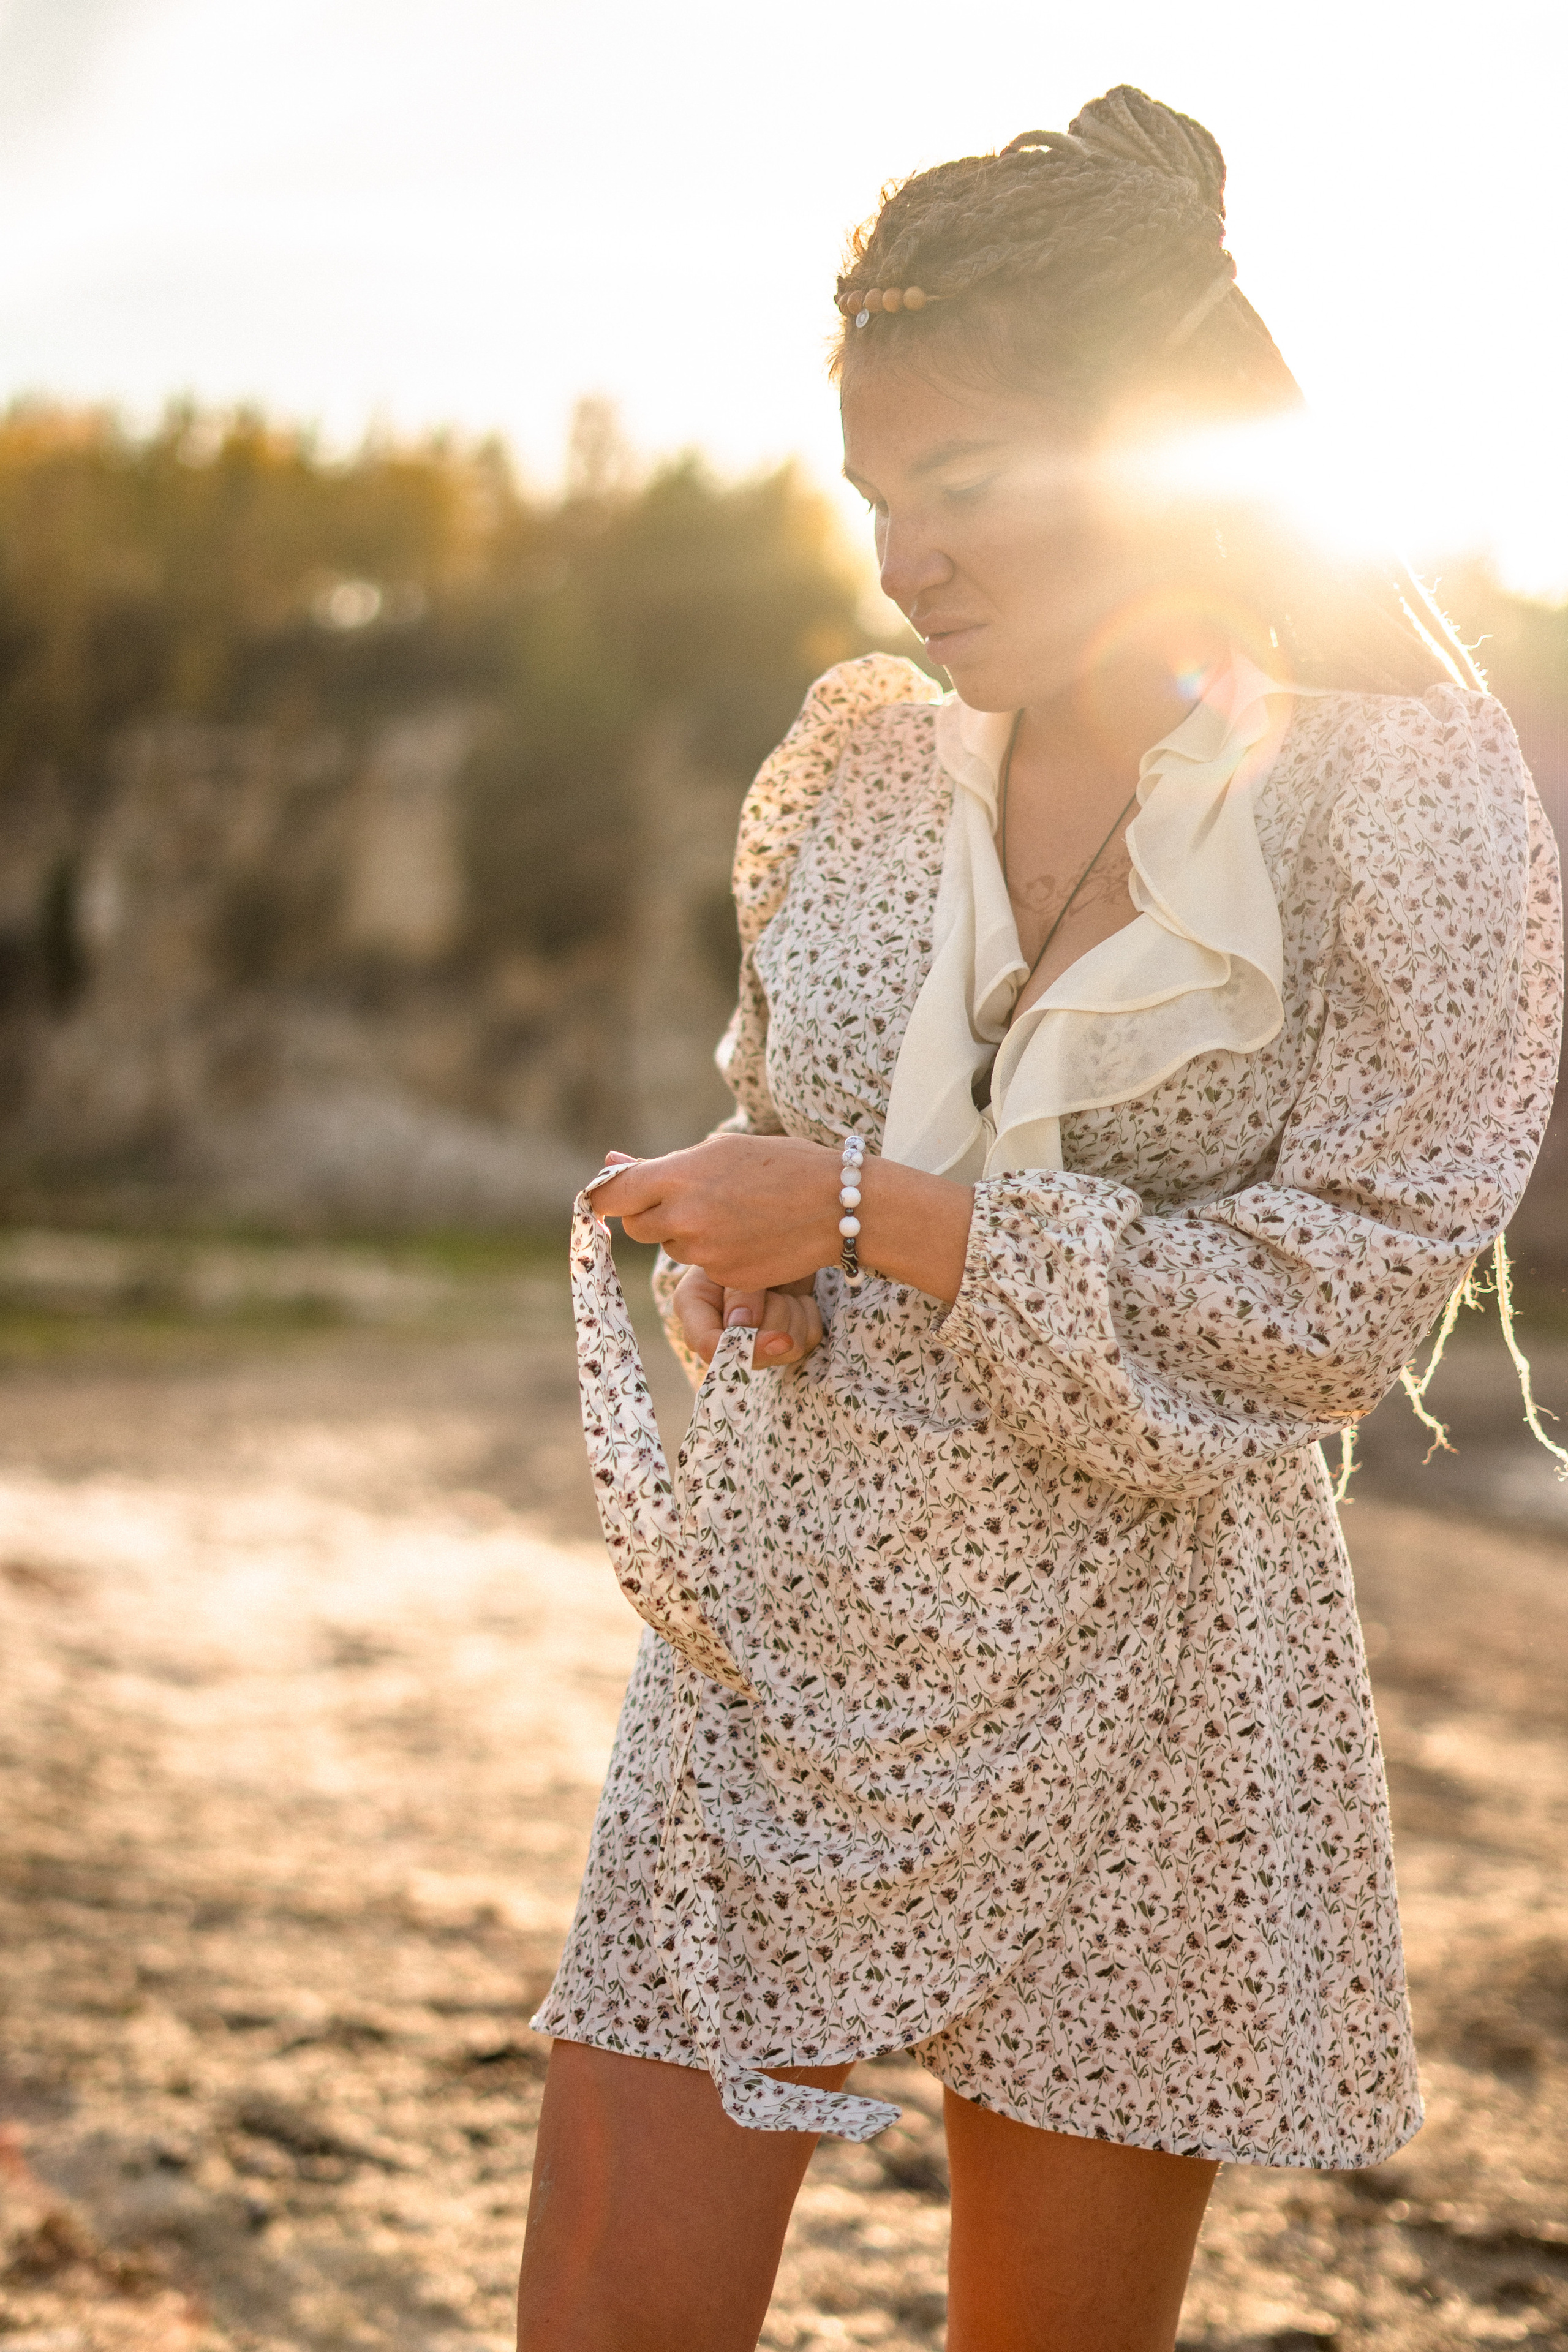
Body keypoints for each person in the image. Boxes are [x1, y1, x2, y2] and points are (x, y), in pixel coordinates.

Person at [516, 85, 1563, 2352]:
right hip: (782, 1634)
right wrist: (753, 1260)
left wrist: (884, 1218)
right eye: (878, 497)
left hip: (1154, 1683)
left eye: (967, 489)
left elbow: (1340, 1297)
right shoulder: (864, 774)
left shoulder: (1408, 799)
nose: (912, 559)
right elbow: (788, 1145)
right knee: (603, 2320)